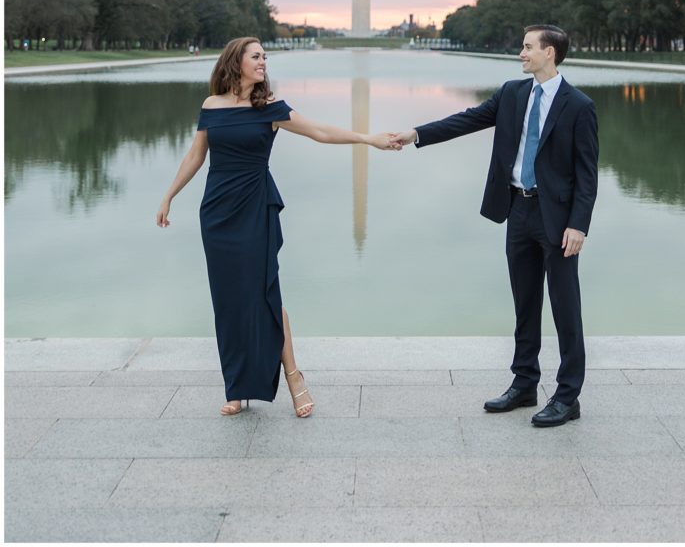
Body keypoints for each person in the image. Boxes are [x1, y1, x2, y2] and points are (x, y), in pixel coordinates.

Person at [156, 35, 399, 418]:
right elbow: (195, 155)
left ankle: (294, 377)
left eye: (265, 57)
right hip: (217, 213)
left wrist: (367, 139)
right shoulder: (211, 106)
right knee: (228, 300)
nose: (264, 62)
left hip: (255, 208)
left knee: (265, 291)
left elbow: (319, 132)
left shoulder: (269, 108)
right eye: (257, 56)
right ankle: (236, 387)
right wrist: (169, 194)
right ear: (236, 62)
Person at [390, 24, 598, 427]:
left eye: (527, 47)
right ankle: (524, 384)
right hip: (517, 211)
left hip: (557, 220)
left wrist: (579, 224)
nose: (521, 53)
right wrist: (415, 134)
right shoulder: (512, 93)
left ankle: (568, 396)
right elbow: (467, 120)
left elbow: (587, 174)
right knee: (524, 303)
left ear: (549, 53)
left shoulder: (579, 106)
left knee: (565, 307)